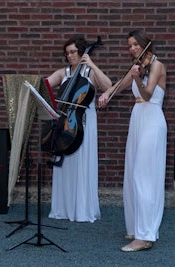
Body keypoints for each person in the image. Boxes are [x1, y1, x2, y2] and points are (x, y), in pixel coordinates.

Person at [98, 30, 167, 252]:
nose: (133, 48)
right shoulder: (136, 66)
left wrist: (137, 76)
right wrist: (106, 94)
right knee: (132, 173)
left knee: (143, 175)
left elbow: (147, 94)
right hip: (137, 119)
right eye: (129, 45)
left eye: (136, 44)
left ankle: (145, 236)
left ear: (145, 44)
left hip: (152, 120)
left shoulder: (156, 65)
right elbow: (119, 84)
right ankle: (136, 226)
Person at [46, 36, 112, 222]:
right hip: (66, 122)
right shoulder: (63, 73)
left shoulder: (89, 72)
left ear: (81, 52)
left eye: (73, 52)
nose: (70, 56)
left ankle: (82, 209)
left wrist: (91, 64)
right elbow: (45, 87)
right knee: (66, 166)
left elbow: (108, 86)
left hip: (84, 121)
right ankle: (63, 208)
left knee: (82, 163)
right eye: (67, 53)